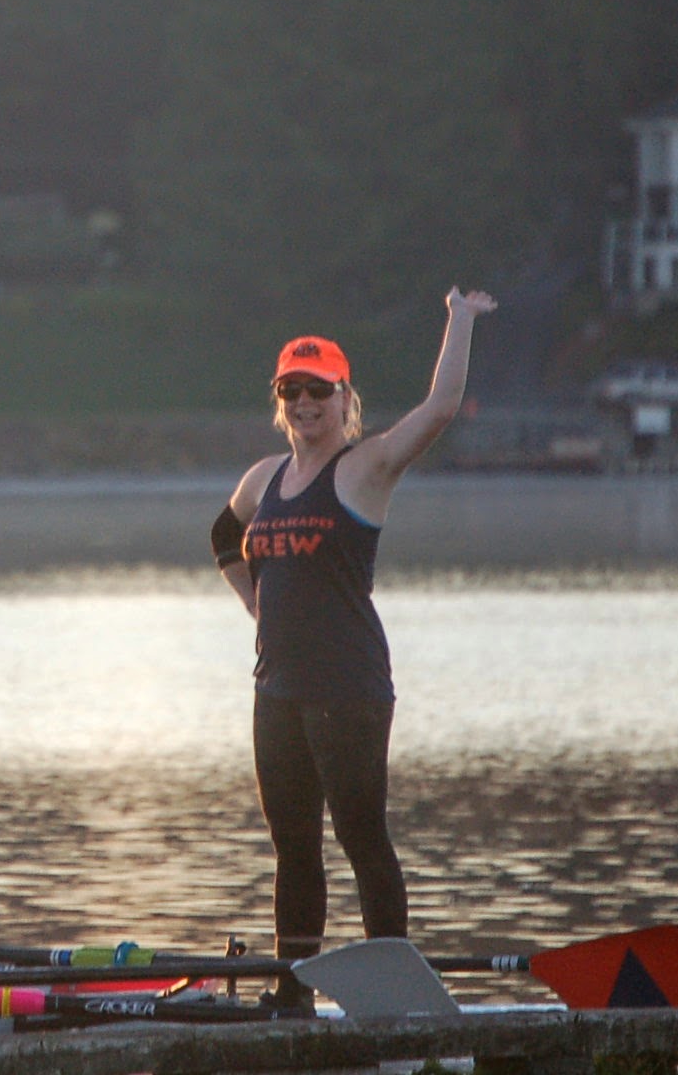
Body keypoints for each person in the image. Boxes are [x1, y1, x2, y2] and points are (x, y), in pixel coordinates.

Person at [210, 288, 497, 1003]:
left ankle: (392, 994)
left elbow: (439, 408)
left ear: (345, 397)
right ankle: (293, 993)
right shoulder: (263, 479)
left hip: (351, 691)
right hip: (275, 690)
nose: (306, 403)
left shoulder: (366, 468)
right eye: (292, 390)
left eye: (320, 390)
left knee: (362, 839)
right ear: (280, 399)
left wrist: (458, 320)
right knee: (294, 851)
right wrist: (254, 600)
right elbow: (223, 536)